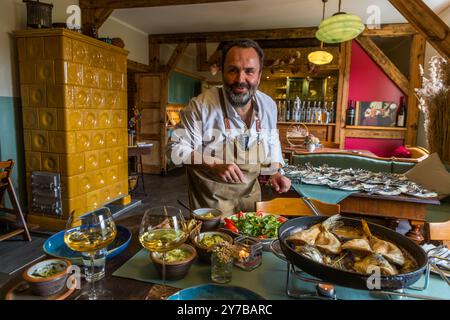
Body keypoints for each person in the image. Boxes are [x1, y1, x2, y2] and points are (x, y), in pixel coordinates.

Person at [169, 39, 291, 214]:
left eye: (249, 71)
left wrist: (275, 173)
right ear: (222, 72)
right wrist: (212, 164)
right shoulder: (201, 106)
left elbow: (272, 143)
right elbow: (174, 150)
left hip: (250, 199)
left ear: (259, 75)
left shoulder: (268, 106)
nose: (240, 79)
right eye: (233, 70)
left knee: (249, 239)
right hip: (211, 203)